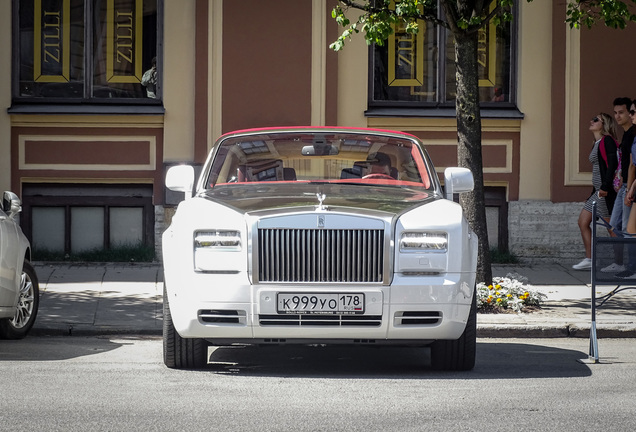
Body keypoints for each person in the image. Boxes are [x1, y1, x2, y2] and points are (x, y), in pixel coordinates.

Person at [573, 113, 620, 270]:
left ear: (604, 124)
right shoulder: (597, 143)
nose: (591, 121)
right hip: (598, 192)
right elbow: (598, 171)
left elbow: (612, 164)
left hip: (605, 193)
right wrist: (593, 193)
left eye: (596, 120)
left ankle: (618, 263)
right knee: (583, 222)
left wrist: (605, 188)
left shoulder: (607, 141)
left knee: (611, 227)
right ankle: (590, 259)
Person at [602, 97, 635, 273]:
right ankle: (621, 263)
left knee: (627, 228)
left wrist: (629, 188)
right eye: (615, 113)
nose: (617, 116)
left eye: (621, 112)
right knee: (614, 224)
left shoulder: (633, 134)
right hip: (623, 187)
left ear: (630, 114)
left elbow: (633, 164)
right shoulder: (626, 134)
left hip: (629, 188)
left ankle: (630, 266)